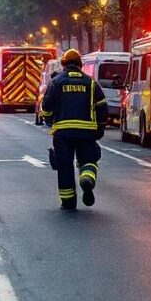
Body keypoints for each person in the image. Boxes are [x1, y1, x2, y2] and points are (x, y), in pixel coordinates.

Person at [40, 49, 107, 210]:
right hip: (86, 132)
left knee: (64, 166)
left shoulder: (56, 82)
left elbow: (46, 106)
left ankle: (68, 202)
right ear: (80, 65)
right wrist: (100, 127)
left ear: (63, 65)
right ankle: (87, 179)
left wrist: (50, 121)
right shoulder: (90, 82)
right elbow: (102, 106)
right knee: (89, 160)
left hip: (63, 133)